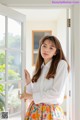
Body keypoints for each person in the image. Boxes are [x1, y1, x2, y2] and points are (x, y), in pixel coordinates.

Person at [20, 35, 70, 120]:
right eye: (44, 46)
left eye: (51, 48)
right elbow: (34, 93)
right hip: (34, 111)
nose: (46, 50)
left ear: (56, 52)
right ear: (40, 48)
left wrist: (30, 96)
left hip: (50, 112)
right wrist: (28, 82)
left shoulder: (61, 64)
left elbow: (56, 93)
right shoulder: (38, 68)